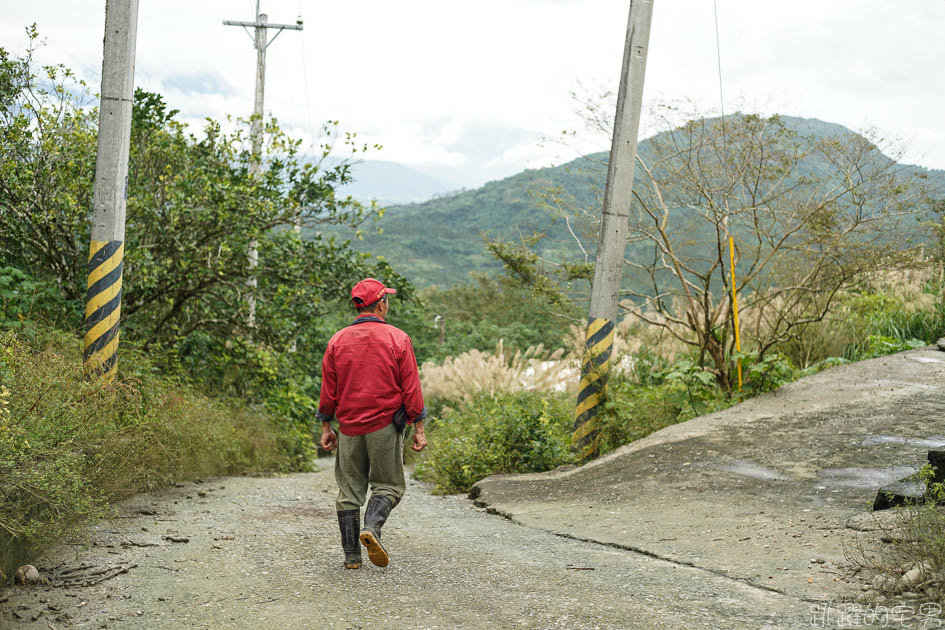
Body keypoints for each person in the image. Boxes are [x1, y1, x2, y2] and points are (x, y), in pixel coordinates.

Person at [317, 277, 427, 569]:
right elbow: (411, 388)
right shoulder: (398, 339)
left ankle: (352, 557)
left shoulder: (337, 340)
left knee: (349, 491)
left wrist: (326, 426)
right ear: (381, 304)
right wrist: (418, 427)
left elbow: (329, 390)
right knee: (388, 487)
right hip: (384, 426)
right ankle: (372, 528)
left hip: (349, 427)